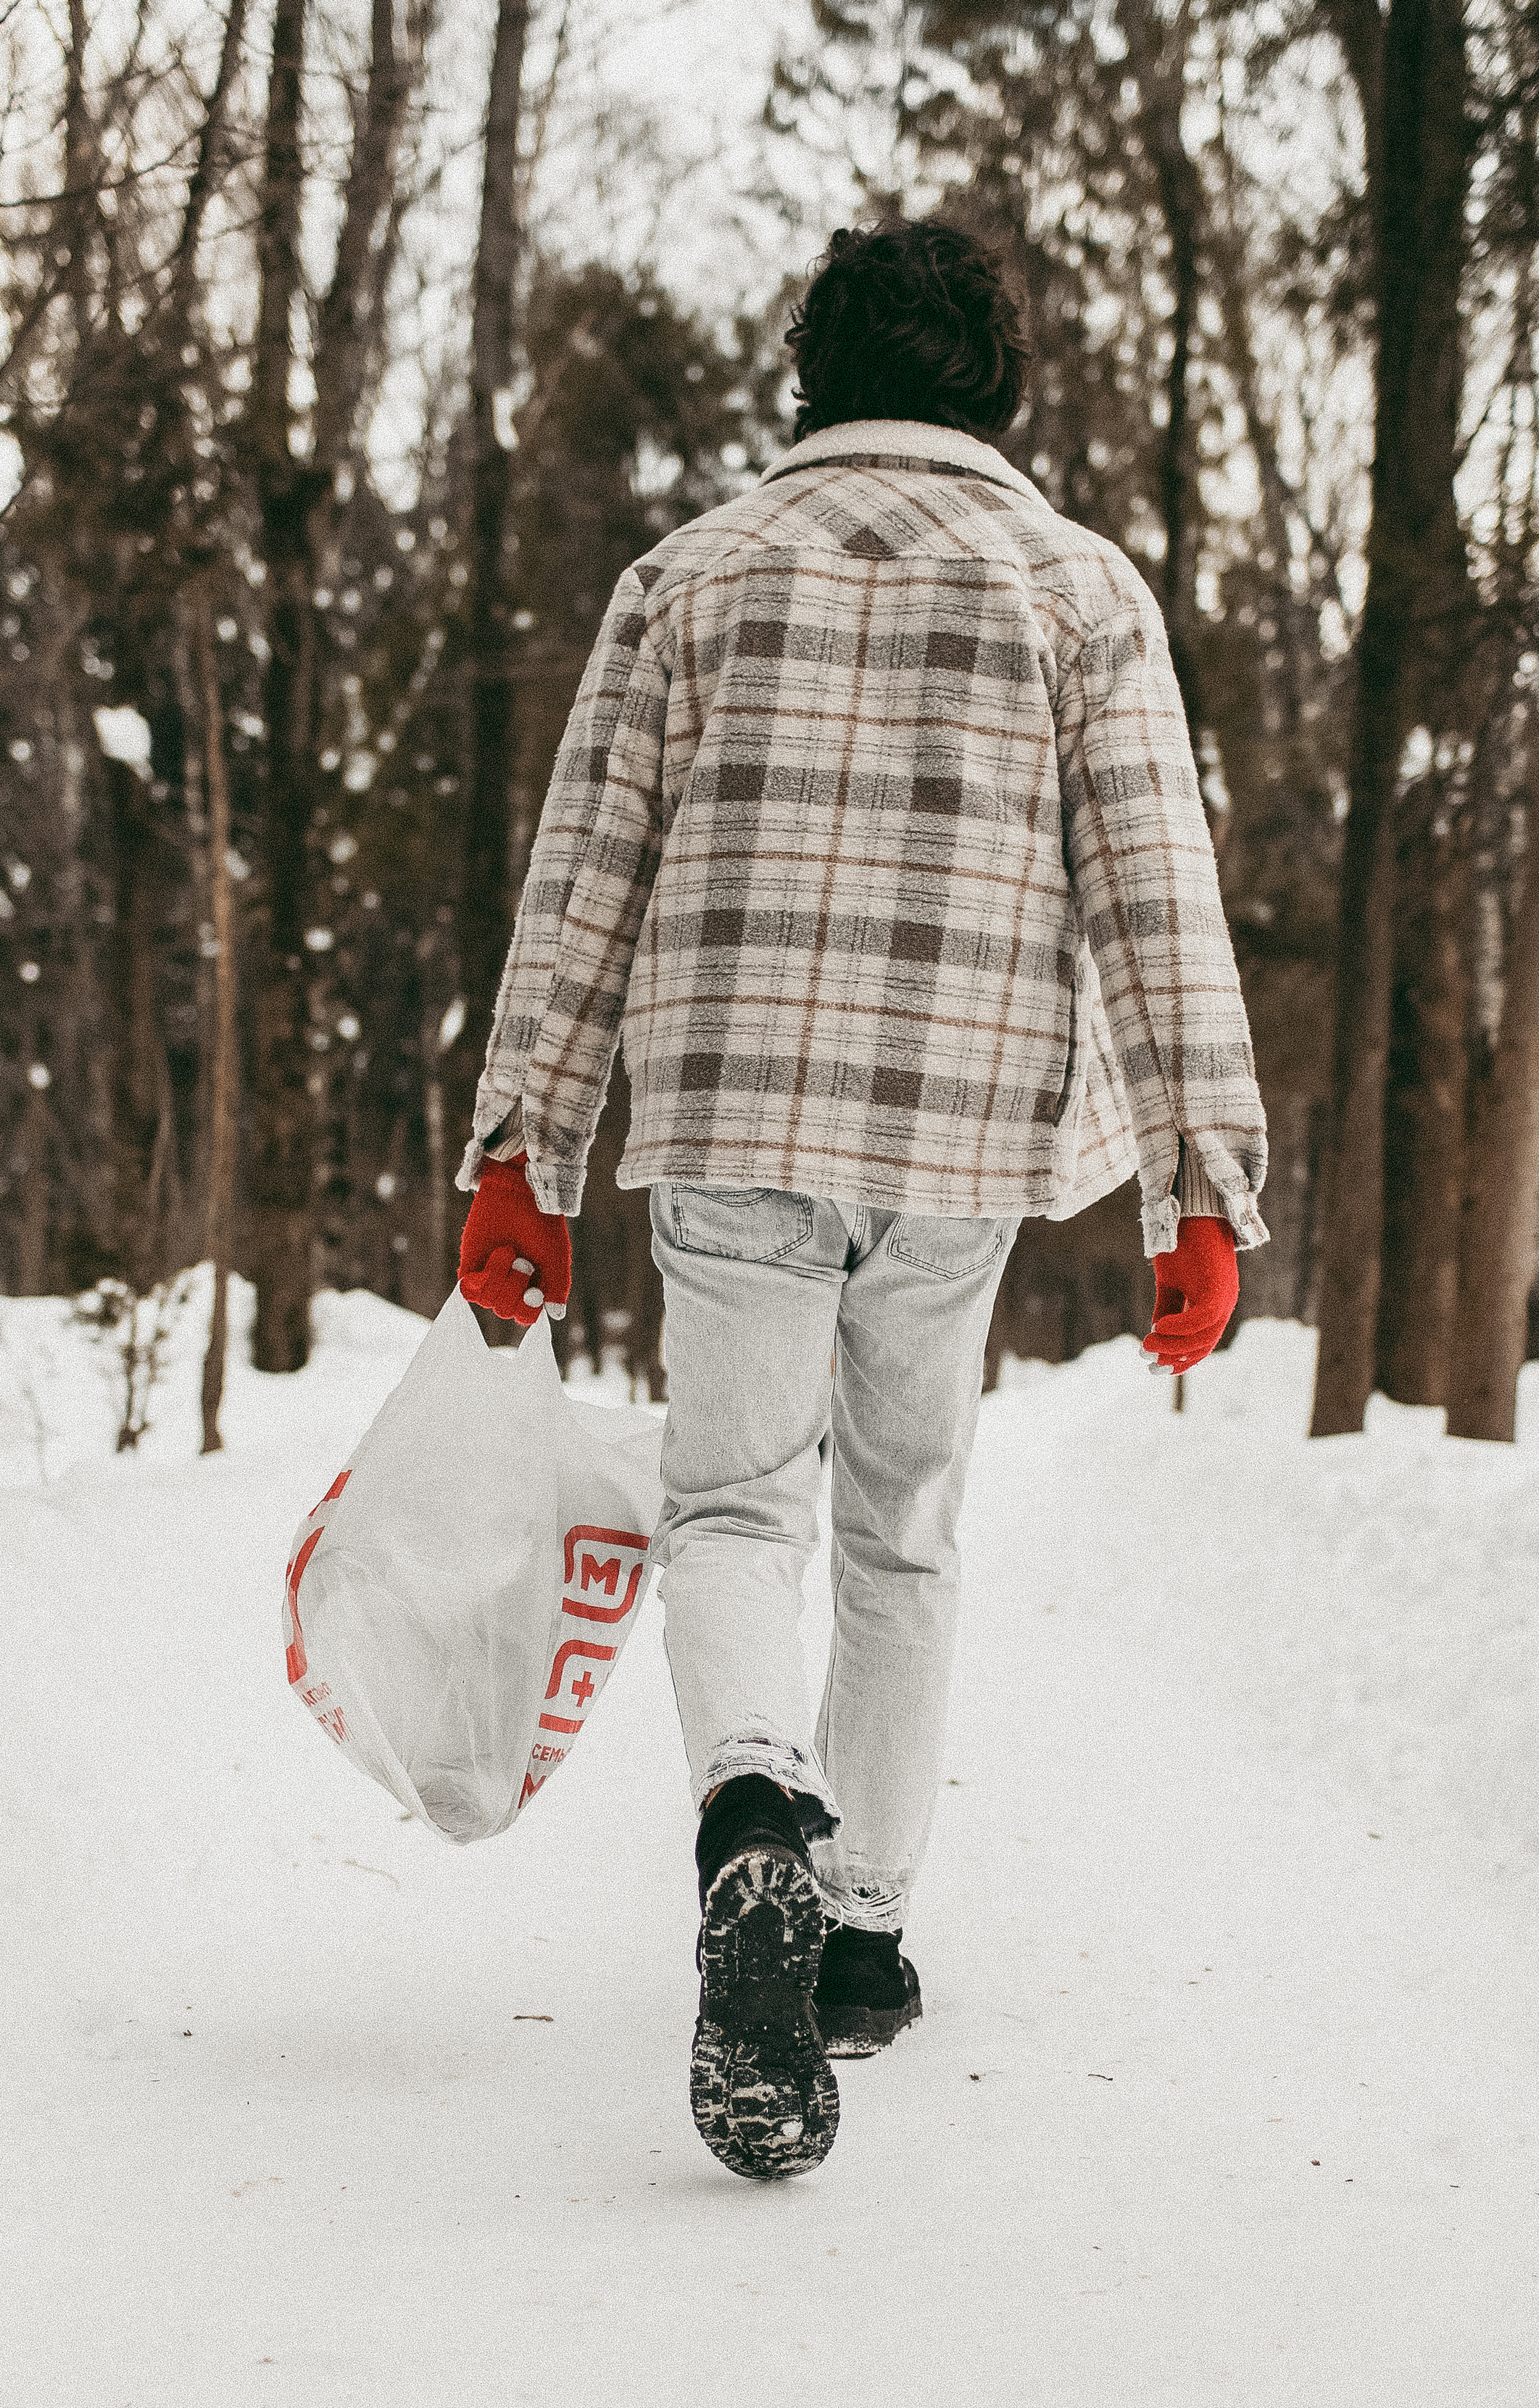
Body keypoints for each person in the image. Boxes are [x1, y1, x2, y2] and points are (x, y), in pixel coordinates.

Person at [455, 220, 1269, 2182]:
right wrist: (1203, 1185)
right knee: (901, 1524)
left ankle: (755, 1821)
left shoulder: (692, 577)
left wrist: (519, 1155)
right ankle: (865, 1938)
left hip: (729, 1095)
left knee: (737, 1498)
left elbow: (586, 880)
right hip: (958, 1127)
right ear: (997, 384)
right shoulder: (1077, 589)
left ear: (810, 374)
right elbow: (1155, 897)